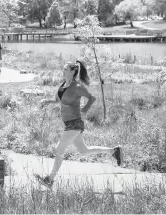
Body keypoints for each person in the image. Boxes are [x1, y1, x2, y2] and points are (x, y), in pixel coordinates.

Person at [36, 60, 123, 189]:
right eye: (63, 69)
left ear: (72, 71)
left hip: (75, 123)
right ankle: (114, 151)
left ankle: (50, 180)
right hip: (68, 124)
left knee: (58, 150)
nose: (63, 70)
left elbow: (92, 98)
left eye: (65, 69)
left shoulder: (77, 87)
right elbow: (57, 101)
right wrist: (46, 101)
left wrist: (84, 110)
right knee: (84, 151)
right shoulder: (63, 85)